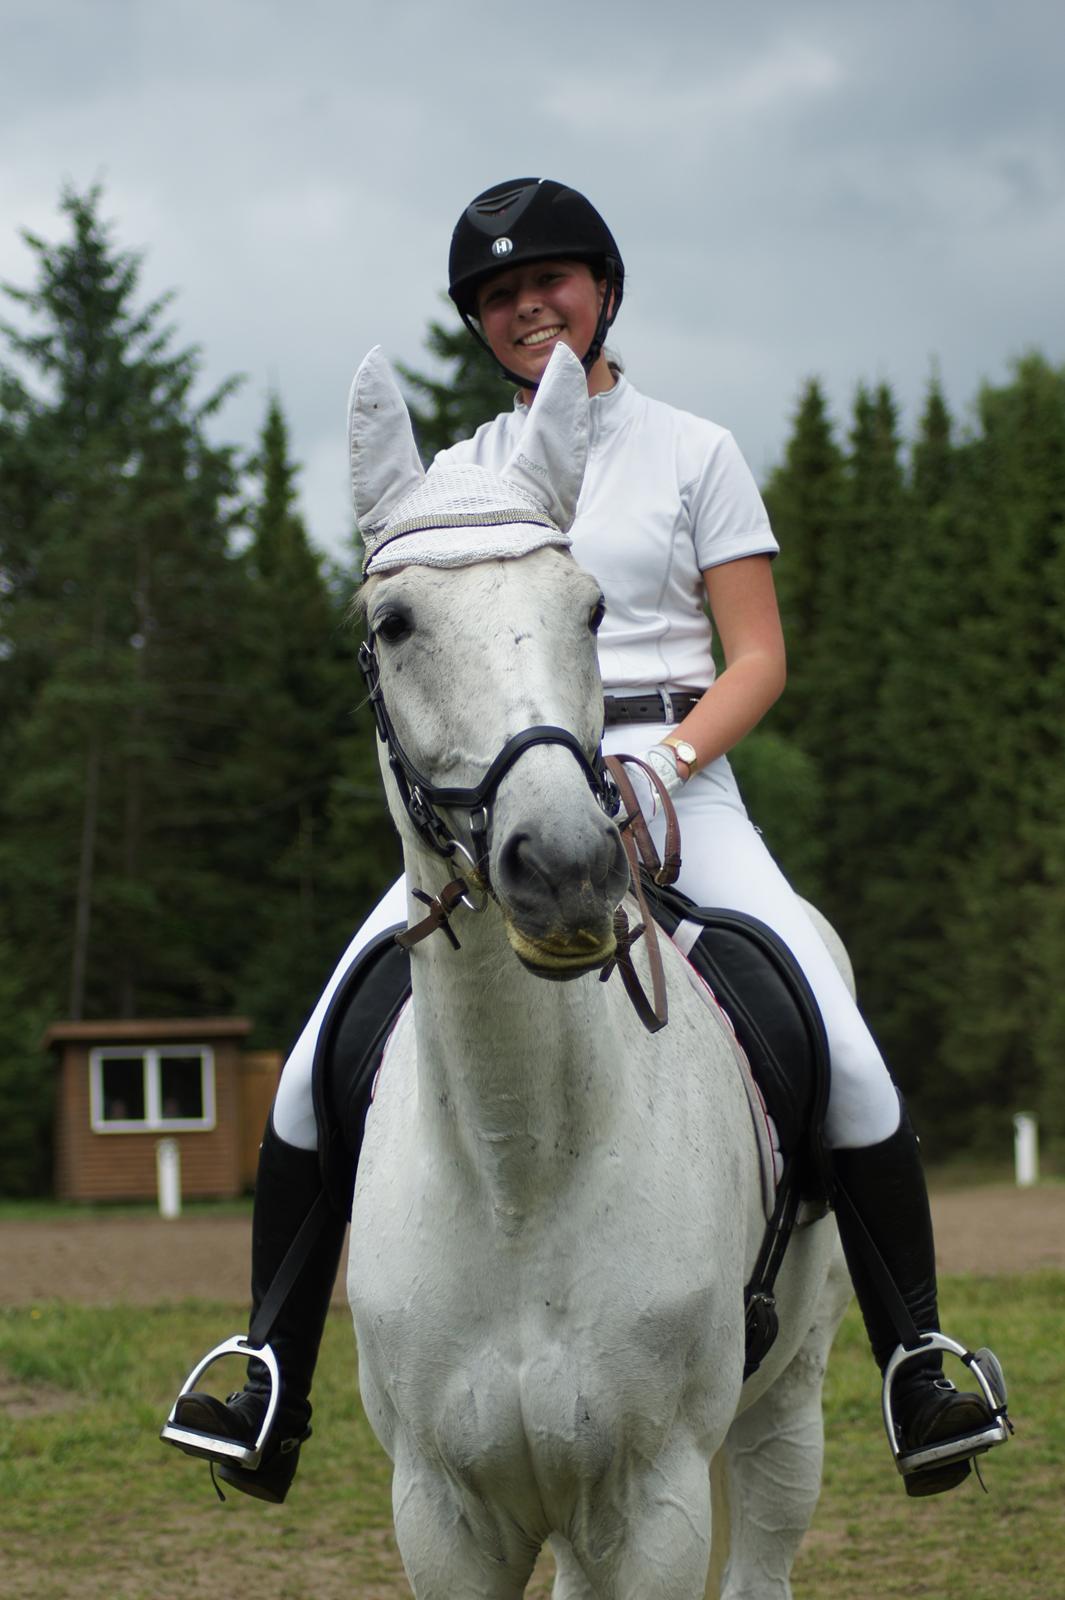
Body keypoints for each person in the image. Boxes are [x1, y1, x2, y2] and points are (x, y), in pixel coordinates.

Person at [164, 177, 1005, 1503]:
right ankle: (268, 1367)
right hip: (498, 807)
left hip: (681, 783)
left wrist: (664, 764)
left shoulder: (693, 452)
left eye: (547, 280)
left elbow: (759, 656)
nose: (526, 308)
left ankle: (917, 1358)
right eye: (498, 295)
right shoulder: (458, 479)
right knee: (316, 1058)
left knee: (839, 1041)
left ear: (603, 288)